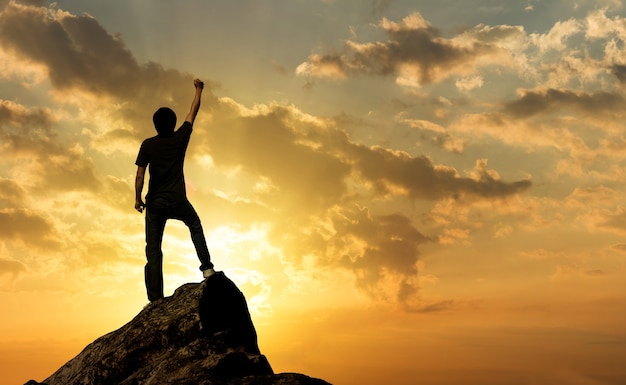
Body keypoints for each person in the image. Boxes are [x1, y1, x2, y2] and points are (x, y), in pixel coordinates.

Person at [134, 78, 215, 302]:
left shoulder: (148, 145)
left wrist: (137, 199)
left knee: (153, 250)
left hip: (155, 203)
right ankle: (207, 269)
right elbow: (193, 112)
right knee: (195, 225)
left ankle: (155, 299)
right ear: (173, 123)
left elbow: (140, 174)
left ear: (155, 125)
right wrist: (199, 90)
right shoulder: (181, 137)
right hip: (178, 199)